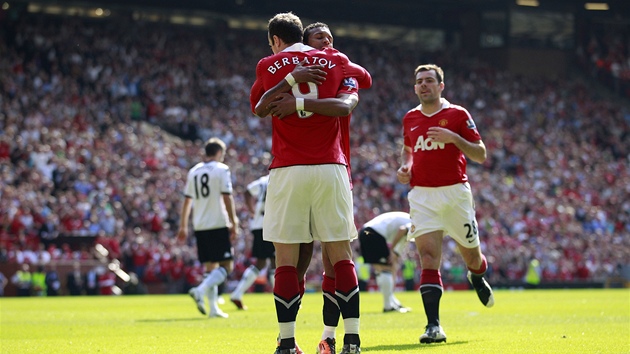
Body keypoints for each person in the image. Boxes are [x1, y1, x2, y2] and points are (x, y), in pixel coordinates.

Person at [250, 13, 365, 354]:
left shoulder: (268, 64)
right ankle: (353, 341)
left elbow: (259, 108)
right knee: (340, 255)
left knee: (286, 258)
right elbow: (364, 80)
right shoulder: (333, 59)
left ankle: (286, 344)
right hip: (331, 165)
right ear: (305, 35)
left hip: (287, 168)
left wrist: (289, 80)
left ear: (274, 39)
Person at [396, 63, 495, 344]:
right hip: (422, 195)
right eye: (419, 81)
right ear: (415, 88)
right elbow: (407, 151)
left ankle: (476, 277)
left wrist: (453, 138)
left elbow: (481, 154)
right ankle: (433, 326)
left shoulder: (457, 115)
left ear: (441, 86)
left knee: (473, 259)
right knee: (428, 258)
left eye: (429, 80)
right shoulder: (410, 119)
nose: (424, 85)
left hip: (455, 194)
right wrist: (405, 168)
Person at [177, 137, 239, 319]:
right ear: (219, 153)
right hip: (217, 222)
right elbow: (227, 197)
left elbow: (187, 201)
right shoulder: (222, 169)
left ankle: (213, 309)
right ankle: (200, 290)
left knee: (210, 267)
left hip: (200, 224)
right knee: (227, 266)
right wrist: (234, 222)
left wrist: (183, 226)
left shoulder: (194, 171)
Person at [229, 174, 274, 310]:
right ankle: (282, 299)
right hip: (272, 224)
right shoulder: (280, 178)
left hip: (258, 224)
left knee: (262, 262)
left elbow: (248, 192)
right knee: (275, 261)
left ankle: (237, 293)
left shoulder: (262, 181)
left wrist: (252, 210)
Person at [358, 211, 412, 313]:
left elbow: (401, 238)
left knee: (381, 270)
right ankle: (388, 306)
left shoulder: (407, 218)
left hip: (365, 232)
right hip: (374, 233)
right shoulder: (415, 222)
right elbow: (402, 230)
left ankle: (392, 302)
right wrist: (392, 250)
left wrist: (395, 254)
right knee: (386, 269)